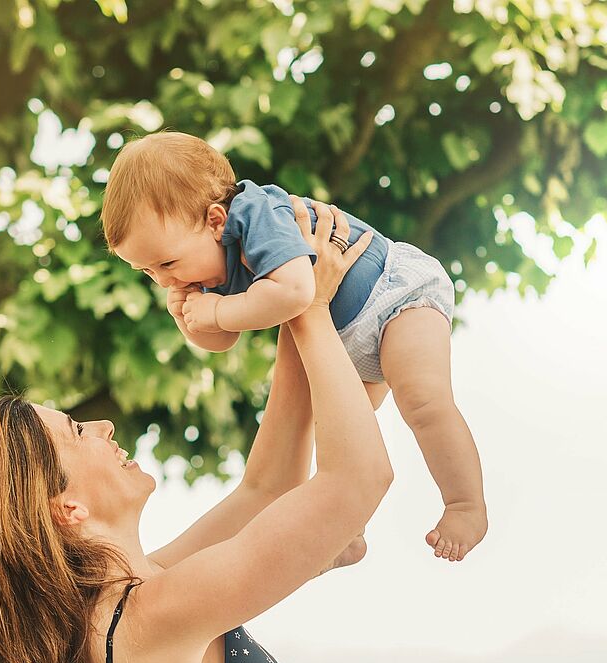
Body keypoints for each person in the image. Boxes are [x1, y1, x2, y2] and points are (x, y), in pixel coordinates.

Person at [0, 204, 392, 663]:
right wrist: (310, 309)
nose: (104, 425)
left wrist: (290, 282)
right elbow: (357, 479)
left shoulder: (120, 609)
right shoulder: (148, 618)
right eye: (77, 433)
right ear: (65, 507)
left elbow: (267, 491)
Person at [100, 131, 487, 562]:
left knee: (423, 402)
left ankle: (465, 505)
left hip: (395, 298)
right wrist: (189, 317)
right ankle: (346, 531)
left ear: (215, 220)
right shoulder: (208, 260)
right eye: (147, 271)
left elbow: (296, 291)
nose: (164, 279)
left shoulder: (256, 215)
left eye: (167, 263)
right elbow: (224, 339)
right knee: (340, 430)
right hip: (344, 334)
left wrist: (214, 312)